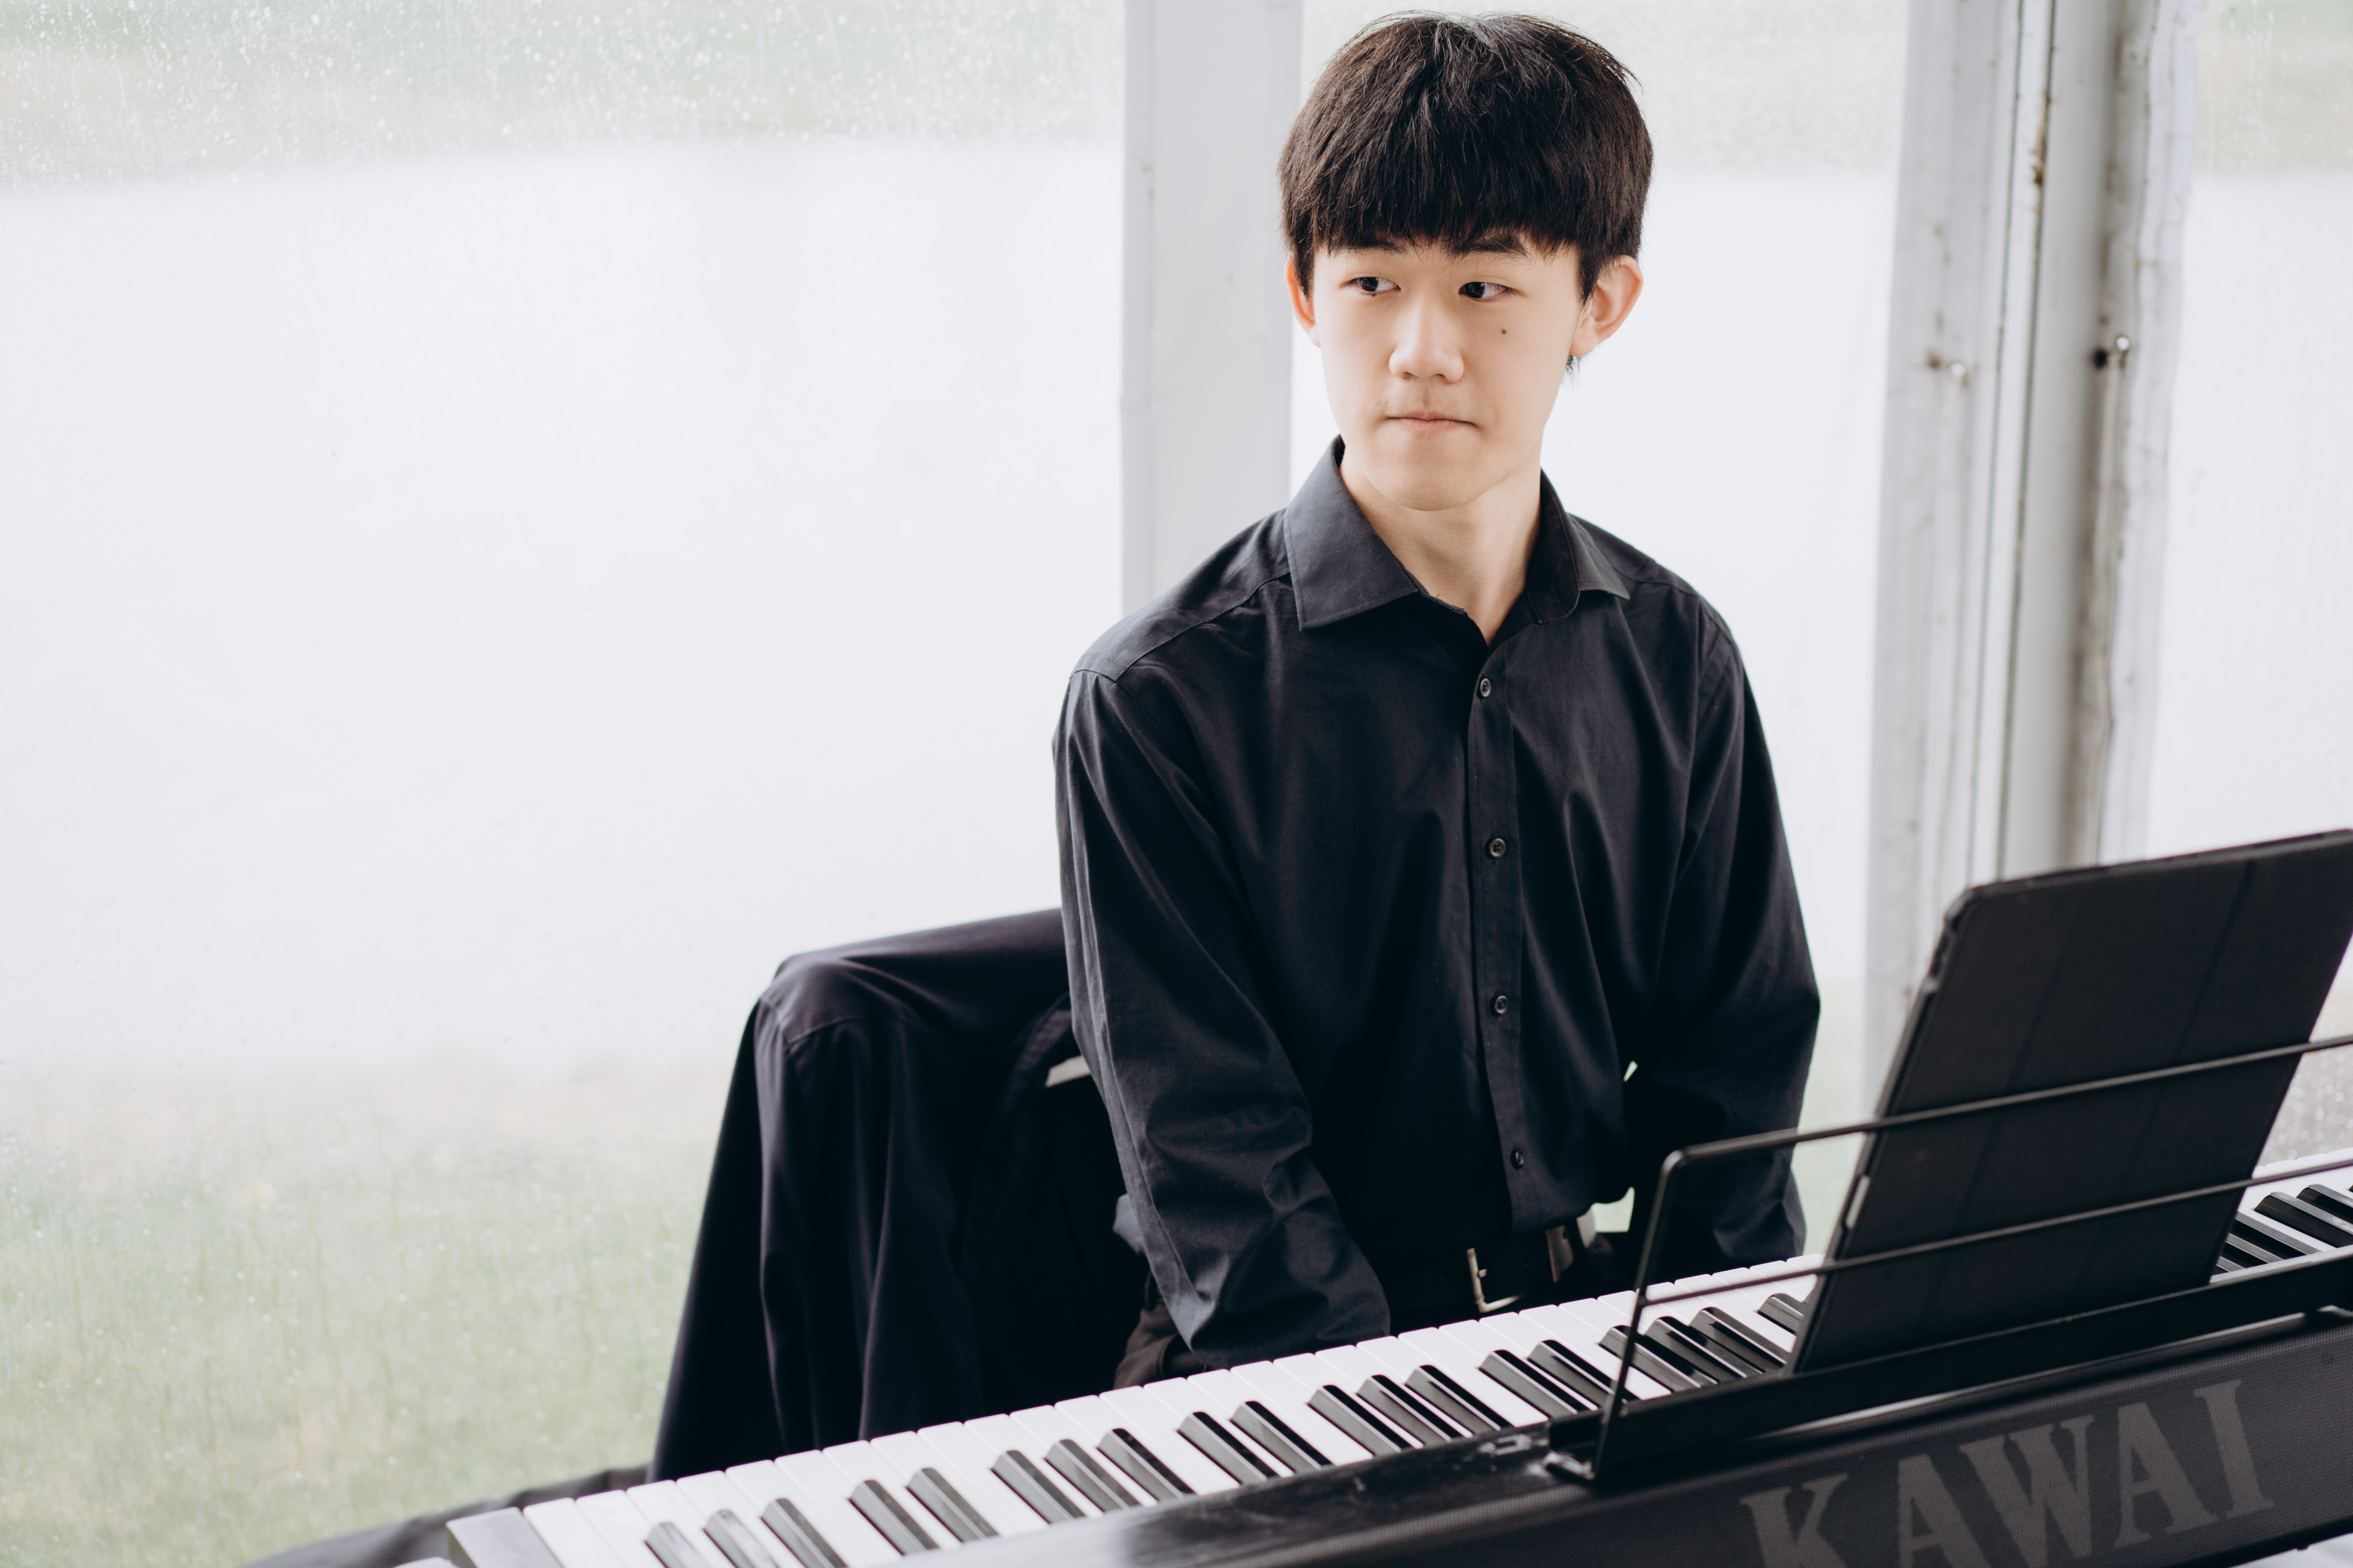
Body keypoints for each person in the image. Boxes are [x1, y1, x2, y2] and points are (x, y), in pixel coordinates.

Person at [1055, 12, 1820, 1384]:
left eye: (1483, 286)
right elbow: (1221, 1180)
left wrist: (1695, 1380)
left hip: (1591, 1339)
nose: (1420, 349)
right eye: (1371, 281)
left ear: (1600, 303)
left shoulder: (1675, 656)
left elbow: (1738, 1094)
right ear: (1305, 293)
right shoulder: (1155, 703)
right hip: (1278, 1379)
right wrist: (1416, 1430)